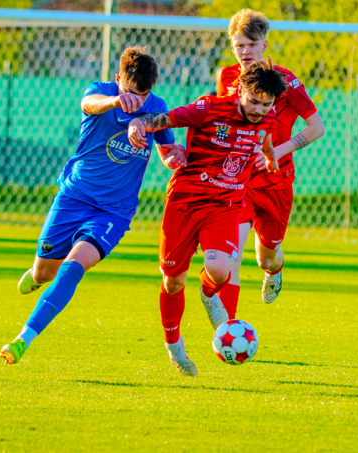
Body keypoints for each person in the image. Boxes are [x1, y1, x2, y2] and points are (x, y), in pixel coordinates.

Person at [0, 46, 186, 364]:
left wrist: (174, 157)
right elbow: (88, 104)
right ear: (117, 80)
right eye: (129, 92)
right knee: (46, 272)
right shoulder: (101, 94)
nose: (135, 101)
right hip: (73, 198)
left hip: (113, 212)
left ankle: (22, 339)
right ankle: (36, 272)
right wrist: (116, 101)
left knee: (72, 268)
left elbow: (166, 150)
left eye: (142, 95)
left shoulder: (157, 109)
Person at [127, 60, 287, 377]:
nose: (259, 109)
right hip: (185, 201)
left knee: (218, 268)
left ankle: (208, 292)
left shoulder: (267, 117)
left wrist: (269, 158)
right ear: (240, 90)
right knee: (173, 282)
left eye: (265, 104)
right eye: (253, 101)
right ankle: (174, 346)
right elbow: (166, 118)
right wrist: (138, 125)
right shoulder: (209, 108)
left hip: (226, 204)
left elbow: (266, 138)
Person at [215, 9, 325, 316]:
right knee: (230, 256)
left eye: (252, 44)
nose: (246, 51)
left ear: (264, 44)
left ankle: (274, 271)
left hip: (276, 183)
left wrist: (279, 151)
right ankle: (228, 328)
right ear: (232, 45)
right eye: (240, 45)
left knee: (266, 257)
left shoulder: (285, 82)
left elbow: (317, 128)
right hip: (239, 183)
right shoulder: (226, 79)